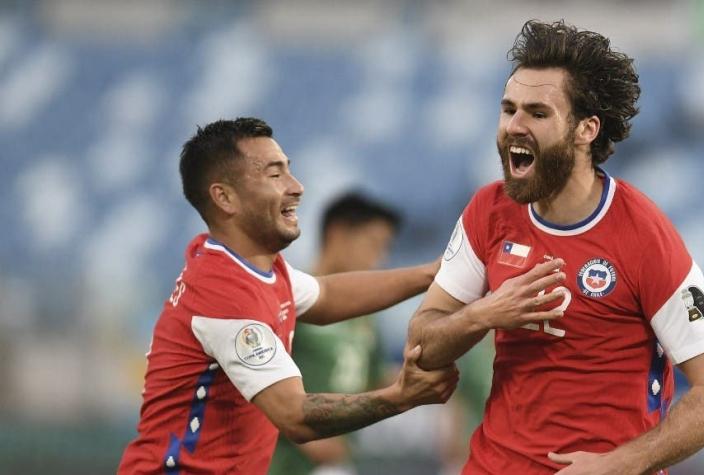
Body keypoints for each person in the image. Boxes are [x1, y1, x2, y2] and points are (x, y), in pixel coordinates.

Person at [407, 19, 704, 475]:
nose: (514, 126)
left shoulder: (643, 235)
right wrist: (485, 313)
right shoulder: (488, 211)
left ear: (586, 130)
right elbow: (423, 347)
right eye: (509, 110)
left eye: (538, 114)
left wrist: (617, 464)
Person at [118, 117, 458, 474]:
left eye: (289, 171)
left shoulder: (259, 269)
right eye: (275, 174)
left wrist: (433, 274)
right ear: (225, 197)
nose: (296, 187)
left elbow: (326, 294)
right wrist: (401, 396)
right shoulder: (224, 293)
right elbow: (294, 415)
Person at [271, 192, 402, 475]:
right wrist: (305, 434)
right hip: (281, 462)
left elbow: (371, 379)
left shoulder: (365, 316)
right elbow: (249, 380)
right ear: (338, 234)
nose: (379, 259)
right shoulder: (289, 299)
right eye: (374, 245)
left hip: (336, 464)